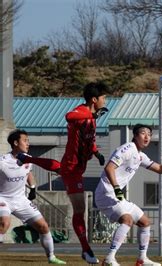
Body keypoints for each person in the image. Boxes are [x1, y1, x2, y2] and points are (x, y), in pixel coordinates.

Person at [17, 82, 109, 264]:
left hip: (77, 167)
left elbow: (89, 138)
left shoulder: (91, 117)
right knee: (80, 209)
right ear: (94, 99)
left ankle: (26, 158)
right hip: (73, 168)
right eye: (104, 97)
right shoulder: (81, 112)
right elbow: (69, 116)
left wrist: (96, 152)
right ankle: (86, 250)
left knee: (57, 167)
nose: (105, 100)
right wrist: (92, 114)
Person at [95, 124, 162, 266]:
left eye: (149, 134)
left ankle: (142, 259)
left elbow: (160, 168)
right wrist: (117, 189)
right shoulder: (128, 148)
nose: (147, 136)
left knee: (145, 222)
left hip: (117, 196)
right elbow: (109, 168)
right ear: (135, 136)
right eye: (143, 133)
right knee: (127, 220)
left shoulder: (140, 155)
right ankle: (109, 258)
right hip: (106, 193)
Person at [0, 129, 66, 264]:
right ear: (15, 143)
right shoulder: (3, 161)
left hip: (20, 199)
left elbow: (28, 173)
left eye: (28, 141)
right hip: (3, 198)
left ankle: (51, 257)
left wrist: (33, 188)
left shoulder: (28, 159)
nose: (28, 143)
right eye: (25, 140)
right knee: (4, 224)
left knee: (43, 226)